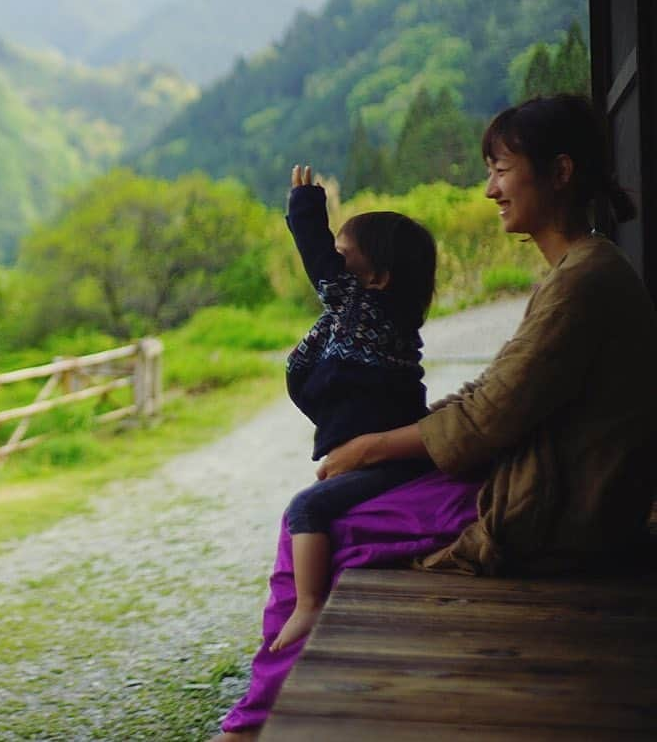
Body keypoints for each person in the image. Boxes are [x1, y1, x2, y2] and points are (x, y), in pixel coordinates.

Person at [213, 94, 657, 741]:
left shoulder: (583, 280)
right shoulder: (582, 270)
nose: (488, 189)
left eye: (500, 168)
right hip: (561, 489)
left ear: (558, 171)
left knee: (318, 523)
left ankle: (252, 725)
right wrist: (383, 446)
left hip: (556, 509)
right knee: (334, 506)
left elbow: (486, 417)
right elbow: (495, 398)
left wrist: (368, 450)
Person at [270, 163, 436, 651]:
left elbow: (320, 265)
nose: (333, 268)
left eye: (344, 260)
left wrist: (305, 210)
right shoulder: (376, 317)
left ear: (378, 278)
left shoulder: (366, 311)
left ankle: (309, 606)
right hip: (382, 452)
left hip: (392, 457)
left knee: (306, 508)